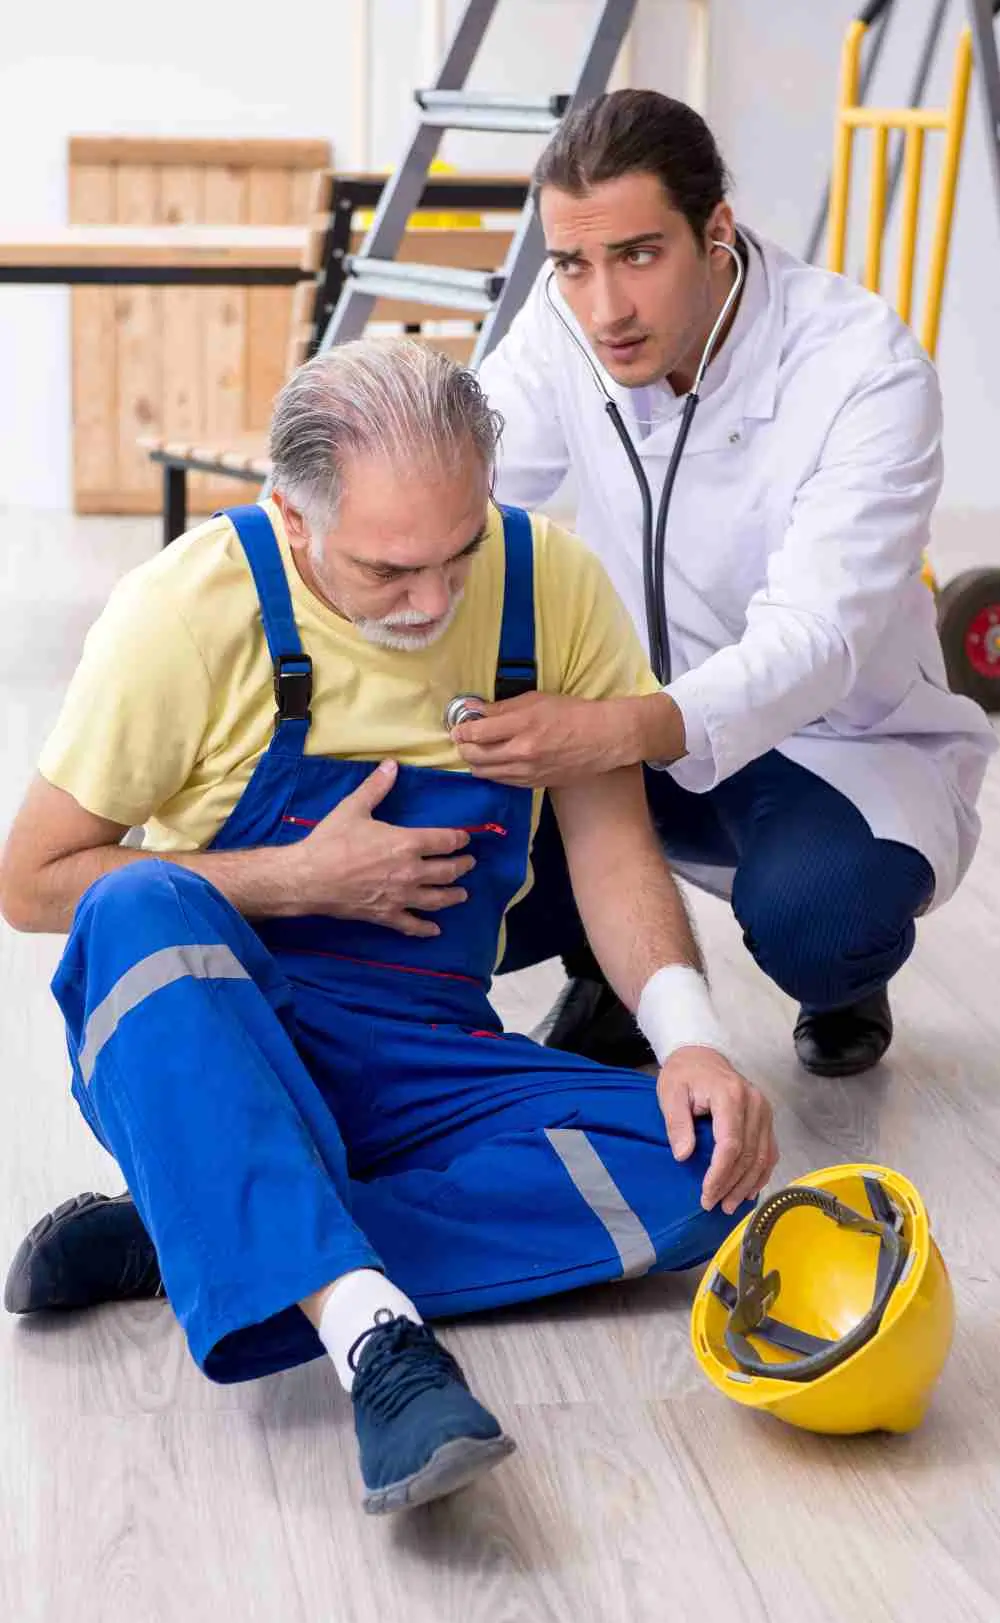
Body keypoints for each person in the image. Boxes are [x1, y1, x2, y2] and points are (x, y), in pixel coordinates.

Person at [0, 340, 776, 1515]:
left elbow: (615, 850)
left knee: (706, 1175)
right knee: (134, 902)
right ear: (293, 521)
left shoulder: (546, 583)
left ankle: (207, 1219)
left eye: (459, 552)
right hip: (231, 1033)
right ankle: (373, 1335)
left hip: (430, 1056)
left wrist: (693, 1041)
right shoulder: (186, 609)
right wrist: (292, 877)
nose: (434, 602)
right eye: (390, 570)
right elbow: (33, 881)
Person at [469, 88, 997, 1079]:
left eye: (638, 255)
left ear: (715, 231)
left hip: (826, 742)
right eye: (573, 264)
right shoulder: (564, 316)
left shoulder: (860, 369)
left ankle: (842, 983)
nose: (603, 309)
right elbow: (473, 474)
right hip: (621, 715)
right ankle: (615, 964)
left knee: (821, 921)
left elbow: (817, 638)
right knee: (438, 870)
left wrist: (617, 731)